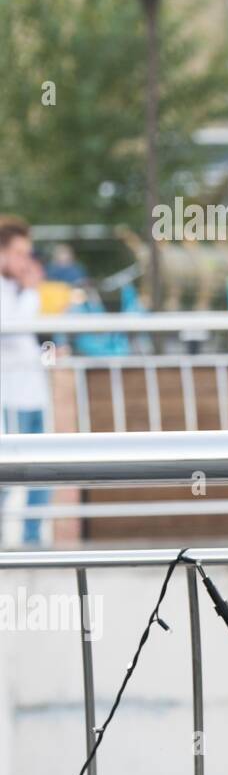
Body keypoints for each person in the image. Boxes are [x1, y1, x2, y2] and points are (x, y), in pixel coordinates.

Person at [0, 215, 53, 545]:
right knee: (5, 474)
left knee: (43, 472)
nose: (25, 261)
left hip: (35, 394)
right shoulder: (14, 292)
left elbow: (37, 340)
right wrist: (31, 293)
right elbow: (11, 331)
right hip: (9, 397)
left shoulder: (23, 292)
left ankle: (33, 539)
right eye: (19, 253)